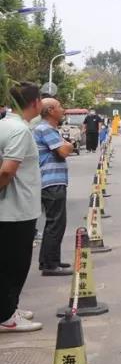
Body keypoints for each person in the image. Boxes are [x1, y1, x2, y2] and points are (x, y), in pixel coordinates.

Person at [0, 82, 44, 333]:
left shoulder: (5, 125)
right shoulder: (19, 130)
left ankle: (9, 308)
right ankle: (7, 317)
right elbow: (7, 171)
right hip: (16, 211)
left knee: (6, 264)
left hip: (12, 211)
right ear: (35, 102)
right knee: (14, 266)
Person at [34, 98, 73, 276]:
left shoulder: (49, 129)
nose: (63, 109)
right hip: (51, 182)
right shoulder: (46, 129)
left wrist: (66, 145)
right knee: (55, 223)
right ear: (50, 110)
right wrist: (69, 145)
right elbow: (63, 151)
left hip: (53, 181)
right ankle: (50, 265)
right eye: (59, 107)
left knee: (56, 222)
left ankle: (51, 260)